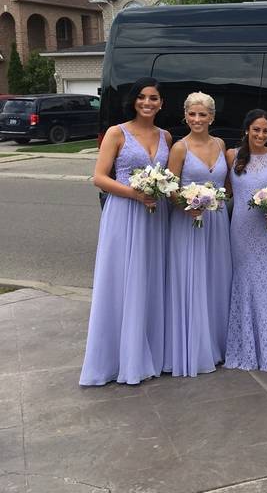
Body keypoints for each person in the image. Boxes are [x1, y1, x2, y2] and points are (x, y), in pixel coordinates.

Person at [80, 78, 173, 386]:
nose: (148, 103)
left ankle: (150, 354)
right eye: (143, 97)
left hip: (155, 217)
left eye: (154, 98)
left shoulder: (166, 136)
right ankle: (119, 359)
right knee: (122, 281)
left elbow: (169, 178)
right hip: (123, 213)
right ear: (134, 101)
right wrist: (134, 193)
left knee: (150, 280)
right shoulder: (116, 133)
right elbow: (98, 177)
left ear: (161, 103)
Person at [163, 92, 232, 377]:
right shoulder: (180, 148)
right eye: (192, 114)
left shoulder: (221, 144)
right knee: (193, 281)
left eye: (202, 114)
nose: (197, 119)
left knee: (216, 279)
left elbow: (227, 185)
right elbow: (169, 187)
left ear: (212, 117)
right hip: (189, 223)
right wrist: (186, 204)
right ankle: (195, 347)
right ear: (185, 116)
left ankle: (218, 344)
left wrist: (219, 199)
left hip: (217, 222)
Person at [224, 109, 267, 371]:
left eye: (266, 131)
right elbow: (224, 190)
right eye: (256, 130)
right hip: (241, 229)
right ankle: (246, 346)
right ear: (247, 130)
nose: (261, 135)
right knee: (246, 281)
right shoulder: (232, 155)